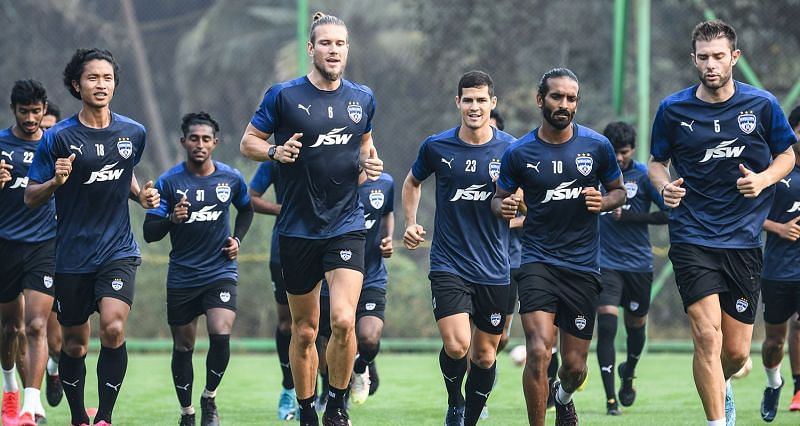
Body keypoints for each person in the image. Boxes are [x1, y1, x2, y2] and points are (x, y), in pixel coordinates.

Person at [648, 20, 796, 426]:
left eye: (718, 56)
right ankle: (716, 421)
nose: (710, 65)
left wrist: (764, 179)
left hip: (744, 241)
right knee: (706, 337)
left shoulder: (762, 105)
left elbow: (788, 155)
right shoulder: (673, 109)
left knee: (734, 352)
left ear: (734, 58)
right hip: (692, 235)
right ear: (693, 59)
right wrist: (664, 189)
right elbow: (656, 163)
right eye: (703, 57)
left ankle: (722, 383)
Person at [239, 12, 382, 426]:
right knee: (304, 331)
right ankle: (306, 411)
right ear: (311, 48)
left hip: (345, 224)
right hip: (298, 230)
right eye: (326, 43)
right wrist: (273, 153)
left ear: (347, 50)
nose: (333, 50)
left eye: (340, 44)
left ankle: (336, 405)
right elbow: (249, 141)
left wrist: (370, 164)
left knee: (342, 320)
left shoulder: (362, 99)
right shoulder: (283, 96)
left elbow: (366, 144)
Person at [25, 48, 160, 426]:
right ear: (76, 84)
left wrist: (141, 196)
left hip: (117, 249)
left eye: (107, 78)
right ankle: (78, 418)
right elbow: (30, 196)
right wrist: (56, 181)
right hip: (71, 256)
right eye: (92, 78)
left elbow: (123, 171)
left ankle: (104, 417)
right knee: (74, 344)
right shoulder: (58, 138)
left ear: (115, 84)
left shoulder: (134, 132)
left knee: (114, 327)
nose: (100, 85)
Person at [493, 67, 625, 426]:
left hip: (582, 267)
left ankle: (563, 397)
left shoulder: (597, 146)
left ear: (576, 103)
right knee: (538, 350)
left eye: (570, 98)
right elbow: (498, 198)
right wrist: (502, 206)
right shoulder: (519, 152)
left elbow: (619, 191)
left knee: (575, 367)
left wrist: (605, 202)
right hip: (537, 262)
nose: (563, 104)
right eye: (556, 96)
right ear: (541, 100)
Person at [403, 70, 514, 426]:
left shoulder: (512, 149)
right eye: (468, 99)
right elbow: (412, 182)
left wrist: (519, 206)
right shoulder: (437, 146)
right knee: (456, 346)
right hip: (449, 263)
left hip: (495, 267)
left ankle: (470, 418)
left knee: (484, 356)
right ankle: (455, 401)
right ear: (458, 102)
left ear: (493, 103)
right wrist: (411, 221)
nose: (475, 106)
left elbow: (528, 198)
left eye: (482, 100)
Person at [144, 112, 253, 426]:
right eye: (194, 138)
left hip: (220, 271)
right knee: (184, 346)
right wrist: (171, 220)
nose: (200, 144)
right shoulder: (169, 182)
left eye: (206, 139)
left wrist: (237, 239)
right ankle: (187, 412)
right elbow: (151, 232)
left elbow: (246, 208)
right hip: (182, 275)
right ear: (183, 142)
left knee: (221, 334)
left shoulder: (230, 178)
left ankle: (209, 397)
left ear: (215, 143)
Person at [594, 121, 668, 416]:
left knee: (636, 327)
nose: (619, 158)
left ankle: (629, 373)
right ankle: (611, 400)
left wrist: (631, 217)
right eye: (614, 152)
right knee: (608, 326)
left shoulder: (643, 174)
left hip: (638, 264)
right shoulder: (594, 173)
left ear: (633, 150)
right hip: (604, 263)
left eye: (624, 152)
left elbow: (667, 215)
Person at [0, 79, 56, 425]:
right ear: (13, 111)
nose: (32, 118)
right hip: (5, 244)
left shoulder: (54, 145)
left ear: (45, 110)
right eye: (25, 112)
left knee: (37, 325)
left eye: (37, 111)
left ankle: (31, 407)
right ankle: (10, 389)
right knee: (11, 329)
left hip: (43, 243)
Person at [248, 161, 298, 420]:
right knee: (288, 325)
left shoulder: (329, 148)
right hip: (284, 248)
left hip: (326, 246)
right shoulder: (276, 158)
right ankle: (289, 388)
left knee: (326, 324)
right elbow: (251, 197)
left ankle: (328, 394)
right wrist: (285, 209)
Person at [759, 105, 800, 422]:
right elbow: (752, 213)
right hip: (777, 270)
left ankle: (799, 388)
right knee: (774, 341)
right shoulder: (776, 171)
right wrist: (781, 228)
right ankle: (774, 382)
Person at [38, 101, 66, 409]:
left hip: (63, 255)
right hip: (26, 253)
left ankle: (54, 369)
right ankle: (27, 404)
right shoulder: (18, 161)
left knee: (56, 342)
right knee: (23, 326)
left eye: (50, 128)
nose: (43, 132)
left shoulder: (72, 161)